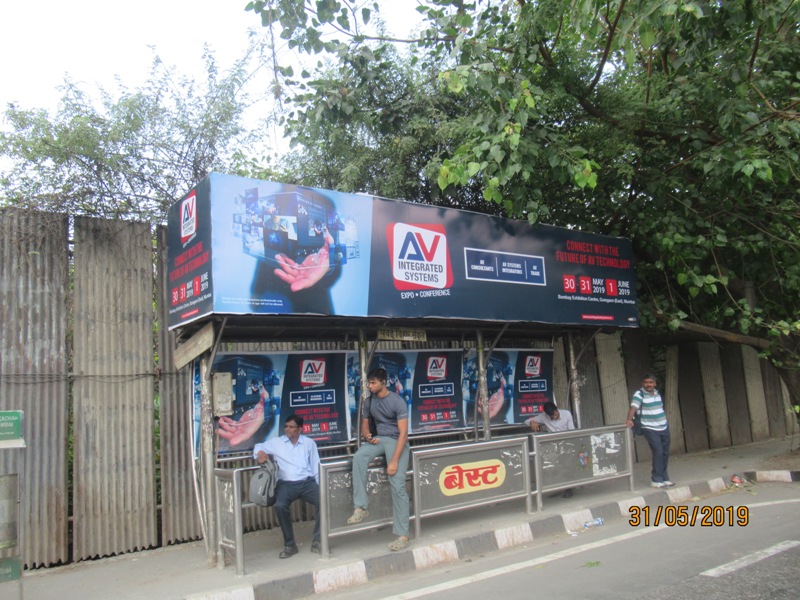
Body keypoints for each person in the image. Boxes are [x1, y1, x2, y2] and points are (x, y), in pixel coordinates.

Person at [347, 367, 411, 552]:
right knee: (358, 457)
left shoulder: (397, 402)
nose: (370, 385)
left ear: (384, 382)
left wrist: (394, 461)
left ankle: (403, 535)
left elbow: (404, 434)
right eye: (369, 382)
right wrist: (367, 436)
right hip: (379, 440)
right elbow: (365, 425)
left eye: (373, 382)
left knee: (397, 485)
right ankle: (361, 507)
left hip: (397, 442)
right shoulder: (368, 402)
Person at [252, 414, 321, 558]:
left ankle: (318, 540)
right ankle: (290, 545)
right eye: (286, 426)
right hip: (285, 484)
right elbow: (259, 445)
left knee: (323, 500)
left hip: (306, 482)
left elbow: (316, 466)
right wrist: (260, 453)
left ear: (300, 429)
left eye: (291, 427)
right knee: (280, 506)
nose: (287, 429)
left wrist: (320, 485)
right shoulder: (277, 442)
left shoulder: (309, 443)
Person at [626, 373, 675, 488]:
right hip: (649, 427)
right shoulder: (639, 394)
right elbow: (633, 408)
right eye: (646, 382)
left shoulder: (657, 393)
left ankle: (664, 478)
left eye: (650, 382)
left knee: (665, 452)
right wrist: (629, 419)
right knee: (658, 452)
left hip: (663, 426)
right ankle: (656, 480)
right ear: (642, 384)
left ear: (654, 383)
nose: (648, 385)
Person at [525, 401, 577, 497]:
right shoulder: (543, 416)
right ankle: (558, 487)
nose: (553, 417)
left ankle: (569, 488)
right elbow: (526, 421)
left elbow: (572, 431)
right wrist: (532, 422)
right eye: (551, 416)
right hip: (553, 446)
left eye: (554, 414)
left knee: (566, 464)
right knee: (551, 466)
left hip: (566, 444)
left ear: (556, 409)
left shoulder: (566, 414)